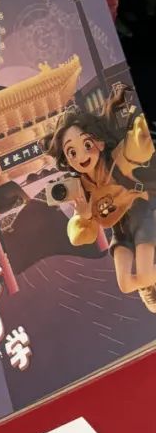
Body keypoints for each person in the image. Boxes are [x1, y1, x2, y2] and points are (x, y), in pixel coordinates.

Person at [45, 83, 156, 308]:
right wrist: (84, 216)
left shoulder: (117, 161)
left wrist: (142, 129)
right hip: (120, 231)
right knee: (126, 284)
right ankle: (147, 284)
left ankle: (148, 282)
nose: (81, 156)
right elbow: (81, 236)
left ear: (100, 142)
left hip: (142, 217)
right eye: (72, 152)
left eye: (87, 144)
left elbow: (138, 143)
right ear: (67, 159)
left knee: (144, 275)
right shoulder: (81, 188)